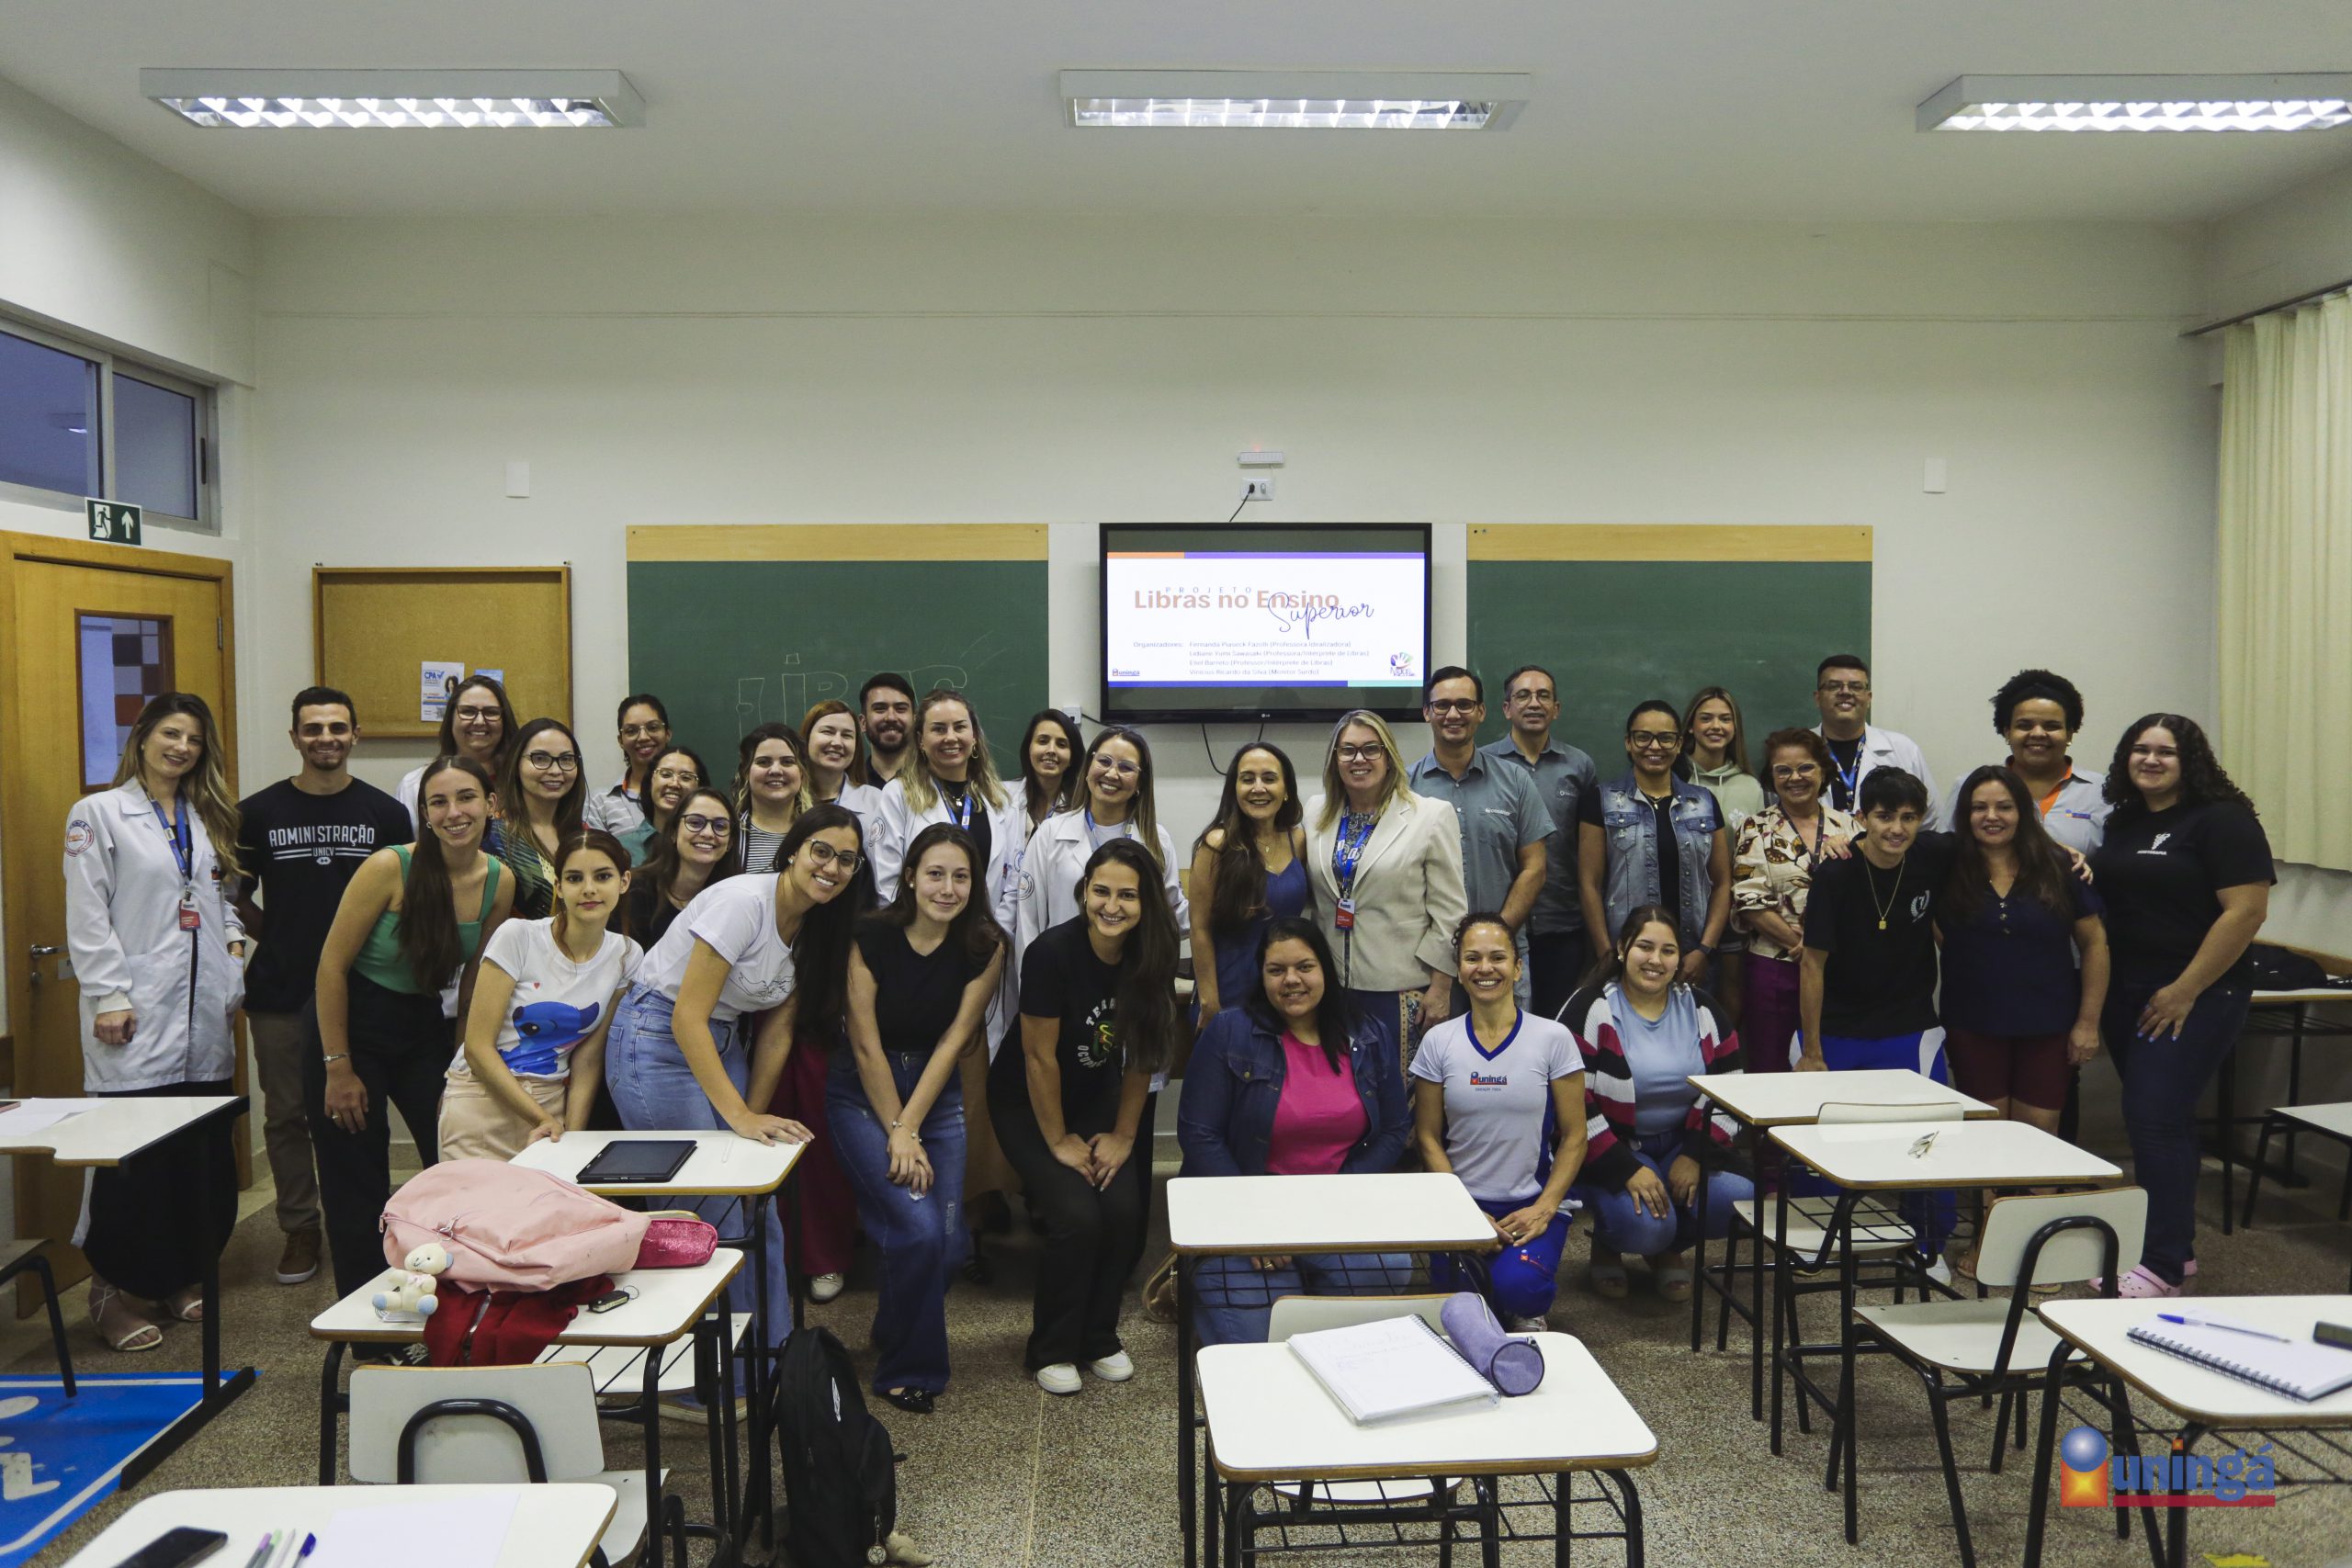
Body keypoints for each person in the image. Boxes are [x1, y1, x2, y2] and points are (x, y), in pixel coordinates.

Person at [605, 805, 865, 1389]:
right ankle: (711, 1382)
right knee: (712, 1214)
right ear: (793, 851)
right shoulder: (743, 902)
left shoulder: (817, 926)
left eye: (846, 860)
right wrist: (740, 1116)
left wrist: (753, 1120)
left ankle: (775, 1366)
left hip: (720, 1041)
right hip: (656, 1038)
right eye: (821, 851)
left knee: (757, 1204)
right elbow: (686, 1017)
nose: (831, 867)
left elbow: (776, 1031)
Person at [62, 694, 247, 1352]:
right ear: (141, 736)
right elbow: (88, 914)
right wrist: (110, 994)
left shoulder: (205, 814)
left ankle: (175, 1275)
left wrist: (233, 953)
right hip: (135, 1016)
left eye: (193, 739)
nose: (182, 748)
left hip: (203, 1018)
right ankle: (110, 1290)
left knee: (193, 1160)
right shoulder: (99, 814)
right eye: (171, 734)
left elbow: (219, 897)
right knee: (129, 1166)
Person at [308, 756, 514, 1301]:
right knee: (357, 1182)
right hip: (350, 1024)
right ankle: (367, 1323)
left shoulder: (500, 881)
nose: (454, 812)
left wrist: (464, 1059)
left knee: (451, 1161)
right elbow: (330, 966)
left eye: (466, 797)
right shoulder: (389, 866)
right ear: (423, 812)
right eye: (438, 802)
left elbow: (475, 980)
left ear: (491, 805)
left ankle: (453, 1301)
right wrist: (338, 1067)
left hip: (422, 1023)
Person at [233, 685, 412, 1289]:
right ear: (295, 737)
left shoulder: (386, 814)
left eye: (337, 727)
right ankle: (300, 1226)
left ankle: (368, 1224)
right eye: (313, 728)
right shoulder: (257, 813)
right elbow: (233, 897)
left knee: (360, 1116)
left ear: (355, 734)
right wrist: (280, 936)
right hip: (282, 991)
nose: (326, 738)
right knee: (287, 1115)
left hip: (365, 992)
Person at [2089, 715, 2272, 1298]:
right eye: (2140, 749)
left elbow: (2246, 911)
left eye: (2165, 751)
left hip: (2197, 993)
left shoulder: (2222, 820)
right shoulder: (2125, 820)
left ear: (2189, 759)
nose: (2150, 759)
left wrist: (2185, 989)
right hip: (2130, 991)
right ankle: (2177, 1251)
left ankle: (2162, 1266)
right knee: (2163, 1120)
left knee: (2154, 1117)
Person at [991, 839, 1181, 1393]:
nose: (1112, 906)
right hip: (1028, 1100)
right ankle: (1051, 1349)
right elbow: (1038, 1058)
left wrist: (1124, 1134)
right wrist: (1058, 1140)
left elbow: (1143, 1053)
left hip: (1096, 1094)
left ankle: (1099, 1337)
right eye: (1101, 891)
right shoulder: (1051, 953)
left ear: (1146, 903)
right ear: (1083, 893)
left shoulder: (1153, 953)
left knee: (1123, 1210)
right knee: (1077, 1214)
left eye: (1128, 895)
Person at [831, 824, 1007, 1410]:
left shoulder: (985, 945)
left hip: (935, 1092)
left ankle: (894, 1325)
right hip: (863, 1093)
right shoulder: (869, 935)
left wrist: (912, 1125)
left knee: (950, 1244)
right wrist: (899, 1130)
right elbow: (864, 1044)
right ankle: (910, 1371)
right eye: (935, 874)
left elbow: (955, 1042)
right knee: (918, 1229)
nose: (947, 889)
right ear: (909, 876)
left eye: (961, 877)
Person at [1179, 918, 1414, 1345]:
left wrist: (1337, 1194)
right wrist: (1256, 1223)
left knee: (1391, 1266)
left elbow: (1395, 1128)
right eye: (1276, 970)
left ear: (1325, 969)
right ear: (1261, 975)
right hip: (1245, 1211)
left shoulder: (1368, 1033)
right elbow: (1199, 1135)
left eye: (1305, 967)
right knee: (1262, 1342)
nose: (1291, 980)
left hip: (1332, 1208)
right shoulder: (1229, 1032)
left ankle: (1307, 1287)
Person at [1939, 766, 2109, 1279]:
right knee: (1988, 1133)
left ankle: (2039, 1249)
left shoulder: (2058, 866)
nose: (1991, 817)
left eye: (2004, 807)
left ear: (2023, 813)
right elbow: (1885, 845)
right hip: (1974, 1021)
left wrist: (2088, 1023)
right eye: (1979, 807)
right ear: (1965, 815)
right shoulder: (1946, 865)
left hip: (2048, 1023)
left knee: (2039, 1134)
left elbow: (2094, 944)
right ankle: (1991, 1240)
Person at [1796, 766, 1957, 1259]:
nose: (1897, 829)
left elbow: (2005, 841)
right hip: (1838, 1029)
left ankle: (1928, 1248)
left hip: (1910, 1026)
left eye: (1909, 818)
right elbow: (1812, 963)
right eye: (1885, 817)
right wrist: (1813, 1051)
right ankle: (1814, 1244)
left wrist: (2066, 852)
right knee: (1817, 1143)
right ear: (1862, 818)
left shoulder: (1933, 855)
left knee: (1931, 1138)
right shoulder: (1836, 873)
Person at [1562, 907, 1749, 1303]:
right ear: (1621, 949)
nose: (1655, 960)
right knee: (1645, 1226)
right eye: (1644, 947)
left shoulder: (1701, 1008)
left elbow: (1733, 1084)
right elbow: (1571, 1101)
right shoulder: (1590, 1007)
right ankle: (1611, 1243)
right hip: (1614, 1147)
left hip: (1683, 1143)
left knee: (1737, 1202)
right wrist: (1625, 1168)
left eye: (1668, 951)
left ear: (1680, 959)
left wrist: (1696, 1153)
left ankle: (1668, 1248)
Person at [1411, 914, 1588, 1330]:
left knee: (1518, 1289)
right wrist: (1465, 1212)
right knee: (1457, 1305)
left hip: (1531, 1201)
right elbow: (1428, 1137)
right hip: (1462, 1202)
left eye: (1498, 957)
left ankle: (1525, 1301)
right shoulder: (1439, 1041)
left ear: (1518, 967)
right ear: (1459, 969)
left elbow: (1576, 1136)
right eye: (1472, 958)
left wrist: (1544, 1208)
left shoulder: (1552, 1038)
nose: (1485, 968)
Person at [440, 829, 641, 1161]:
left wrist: (571, 1135)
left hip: (551, 1103)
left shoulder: (627, 955)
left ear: (624, 881)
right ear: (558, 887)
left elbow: (588, 1058)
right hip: (481, 1098)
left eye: (603, 876)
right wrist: (541, 1118)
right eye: (574, 878)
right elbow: (477, 1048)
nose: (589, 888)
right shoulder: (518, 936)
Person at [1305, 710, 1465, 1072]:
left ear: (1389, 756)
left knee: (1396, 1092)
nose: (1359, 759)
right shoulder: (1316, 812)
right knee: (1338, 1089)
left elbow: (1450, 913)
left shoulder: (1430, 816)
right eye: (1348, 750)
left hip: (1400, 991)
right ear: (1335, 759)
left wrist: (1441, 988)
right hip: (1330, 988)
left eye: (1371, 749)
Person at [1408, 668, 1549, 1006]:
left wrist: (1494, 934)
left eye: (1464, 704)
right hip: (1426, 961)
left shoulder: (1515, 781)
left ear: (1481, 711)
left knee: (1509, 1040)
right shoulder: (1404, 787)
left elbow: (1535, 868)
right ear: (1426, 712)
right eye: (1442, 705)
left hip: (1501, 955)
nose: (1453, 714)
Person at [1577, 702, 1731, 984]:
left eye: (1666, 738)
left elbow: (1722, 883)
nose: (1655, 746)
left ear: (1679, 744)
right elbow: (1589, 883)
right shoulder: (1601, 800)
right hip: (1626, 957)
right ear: (1628, 742)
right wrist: (1607, 953)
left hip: (1691, 958)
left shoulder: (1704, 802)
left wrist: (1704, 950)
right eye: (1643, 737)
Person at [1483, 664, 1600, 1019]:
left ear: (1556, 708)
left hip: (1562, 923)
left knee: (1556, 1024)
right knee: (1501, 1022)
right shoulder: (1484, 764)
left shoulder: (1579, 766)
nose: (1534, 703)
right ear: (1507, 708)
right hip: (1500, 920)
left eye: (1543, 696)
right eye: (1523, 696)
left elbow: (1591, 850)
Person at [1186, 743, 1310, 1028]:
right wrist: (1209, 998)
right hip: (1228, 993)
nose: (1258, 788)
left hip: (1285, 992)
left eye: (1269, 778)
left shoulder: (1299, 841)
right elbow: (1199, 927)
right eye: (1247, 779)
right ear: (1235, 789)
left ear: (1286, 789)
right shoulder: (1216, 845)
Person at [1941, 669, 2110, 856]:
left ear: (2069, 734)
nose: (2038, 733)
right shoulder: (1969, 786)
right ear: (2007, 732)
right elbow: (1946, 855)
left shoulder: (2103, 791)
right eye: (2024, 725)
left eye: (2051, 726)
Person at [1812, 654, 1942, 829]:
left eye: (1856, 686)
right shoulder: (1796, 751)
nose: (1845, 692)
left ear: (1869, 698)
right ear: (1818, 698)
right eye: (1834, 686)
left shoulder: (1903, 750)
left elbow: (1931, 820)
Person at [492, 717, 587, 919]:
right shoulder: (493, 838)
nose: (555, 771)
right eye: (540, 758)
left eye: (566, 759)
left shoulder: (585, 835)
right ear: (516, 763)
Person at [397, 674, 515, 831]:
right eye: (468, 711)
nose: (479, 721)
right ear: (450, 719)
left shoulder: (522, 782)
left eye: (491, 712)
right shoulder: (415, 785)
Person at [627, 784, 741, 947]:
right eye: (695, 822)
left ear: (730, 842)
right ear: (673, 833)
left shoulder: (734, 900)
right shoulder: (635, 890)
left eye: (720, 826)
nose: (708, 833)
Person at [582, 694, 673, 863]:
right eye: (631, 731)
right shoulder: (600, 802)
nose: (643, 737)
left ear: (667, 733)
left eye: (653, 727)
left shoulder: (687, 793)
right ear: (621, 740)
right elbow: (596, 863)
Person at [1678, 687, 1764, 833]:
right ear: (1691, 726)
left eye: (1725, 719)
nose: (1716, 726)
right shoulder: (1672, 778)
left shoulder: (1751, 787)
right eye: (1706, 718)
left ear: (1735, 728)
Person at [733, 722, 812, 874]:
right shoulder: (728, 834)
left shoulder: (819, 832)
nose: (776, 770)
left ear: (801, 773)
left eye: (787, 762)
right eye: (763, 762)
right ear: (746, 772)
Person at [803, 700, 887, 826]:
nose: (837, 743)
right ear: (807, 737)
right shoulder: (787, 798)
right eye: (828, 732)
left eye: (847, 735)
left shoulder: (875, 800)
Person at [1012, 708, 1081, 838]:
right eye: (1043, 741)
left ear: (1072, 757)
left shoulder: (1081, 808)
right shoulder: (1002, 798)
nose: (1051, 750)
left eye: (1061, 744)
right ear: (1029, 748)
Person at [636, 744, 709, 841]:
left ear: (699, 788)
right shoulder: (624, 846)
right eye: (666, 775)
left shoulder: (709, 843)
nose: (674, 784)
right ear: (650, 782)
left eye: (686, 778)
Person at [859, 672, 917, 786]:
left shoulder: (934, 782)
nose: (891, 718)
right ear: (863, 723)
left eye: (900, 709)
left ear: (915, 721)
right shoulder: (850, 784)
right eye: (880, 709)